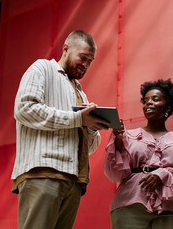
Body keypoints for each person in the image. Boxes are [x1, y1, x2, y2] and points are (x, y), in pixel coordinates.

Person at [11, 30, 110, 229]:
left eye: (90, 61)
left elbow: (87, 148)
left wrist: (91, 127)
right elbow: (24, 109)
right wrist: (77, 118)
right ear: (66, 48)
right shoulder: (42, 68)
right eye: (82, 57)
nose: (86, 65)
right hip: (43, 173)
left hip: (74, 181)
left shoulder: (80, 91)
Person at [104, 79, 173, 229]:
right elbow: (114, 174)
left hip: (172, 210)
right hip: (129, 205)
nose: (148, 103)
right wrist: (119, 141)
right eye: (145, 100)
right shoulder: (128, 136)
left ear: (168, 107)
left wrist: (165, 174)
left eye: (155, 99)